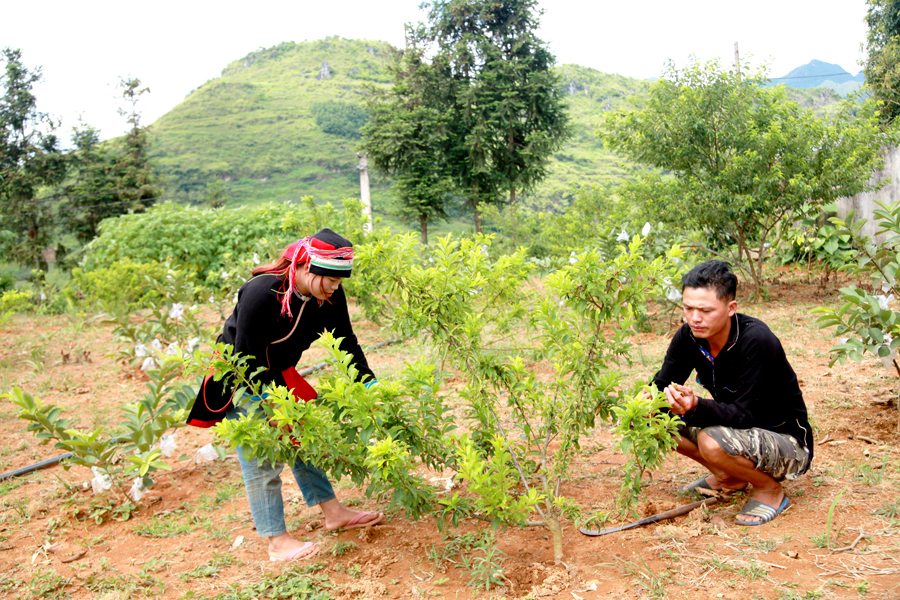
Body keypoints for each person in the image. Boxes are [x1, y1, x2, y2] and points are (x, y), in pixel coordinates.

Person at [187, 228, 382, 561]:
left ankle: (334, 514)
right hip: (239, 376)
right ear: (306, 267)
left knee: (303, 441)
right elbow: (246, 356)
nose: (335, 286)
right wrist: (271, 408)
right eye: (330, 279)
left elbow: (347, 341)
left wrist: (369, 385)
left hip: (278, 376)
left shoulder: (330, 297)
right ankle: (277, 542)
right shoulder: (262, 292)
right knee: (262, 456)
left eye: (339, 280)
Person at [651, 260, 813, 526]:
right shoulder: (689, 336)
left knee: (710, 441)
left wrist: (693, 406)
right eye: (688, 308)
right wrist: (648, 401)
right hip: (736, 432)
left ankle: (769, 489)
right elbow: (661, 384)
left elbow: (745, 415)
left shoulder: (756, 340)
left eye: (705, 310)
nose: (695, 318)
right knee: (653, 418)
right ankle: (730, 476)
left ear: (731, 309)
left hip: (787, 442)